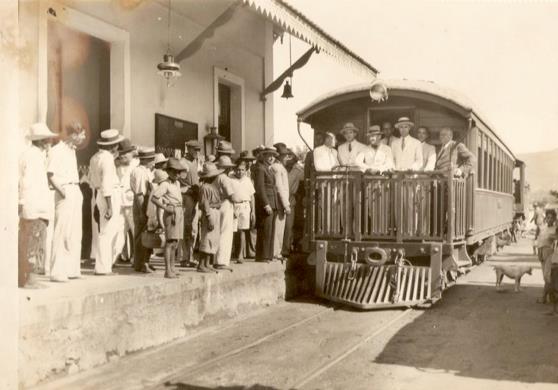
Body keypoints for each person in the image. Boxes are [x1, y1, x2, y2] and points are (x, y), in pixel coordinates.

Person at [18, 123, 58, 287]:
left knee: (27, 243)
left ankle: (24, 278)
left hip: (31, 206)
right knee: (33, 244)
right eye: (48, 138)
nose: (50, 141)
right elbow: (30, 184)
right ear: (42, 141)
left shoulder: (30, 155)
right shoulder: (34, 157)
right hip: (35, 207)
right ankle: (29, 279)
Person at [47, 122, 86, 282]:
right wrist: (62, 191)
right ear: (74, 134)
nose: (83, 137)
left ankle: (72, 269)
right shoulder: (57, 150)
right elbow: (50, 174)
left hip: (75, 190)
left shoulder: (72, 151)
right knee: (61, 231)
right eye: (82, 134)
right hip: (65, 191)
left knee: (75, 232)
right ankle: (57, 272)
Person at [88, 129, 125, 275]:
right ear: (113, 146)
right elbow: (107, 183)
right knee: (107, 232)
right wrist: (110, 205)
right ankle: (103, 267)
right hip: (109, 195)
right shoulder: (108, 160)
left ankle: (104, 266)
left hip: (100, 194)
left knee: (106, 231)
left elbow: (95, 181)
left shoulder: (95, 158)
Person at [151, 157, 187, 278]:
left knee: (175, 242)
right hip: (171, 213)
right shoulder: (165, 184)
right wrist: (165, 208)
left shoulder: (176, 183)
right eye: (174, 171)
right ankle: (167, 270)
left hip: (179, 211)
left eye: (178, 171)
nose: (177, 174)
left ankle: (172, 268)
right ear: (168, 171)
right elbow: (154, 198)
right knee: (170, 242)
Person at [130, 147, 156, 273]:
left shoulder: (145, 171)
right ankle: (140, 263)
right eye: (152, 160)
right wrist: (142, 212)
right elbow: (140, 194)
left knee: (145, 233)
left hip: (146, 203)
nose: (153, 162)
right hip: (142, 203)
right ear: (147, 160)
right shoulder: (139, 172)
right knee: (141, 234)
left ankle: (144, 261)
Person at [215, 155, 241, 271]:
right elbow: (231, 195)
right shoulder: (224, 178)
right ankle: (222, 261)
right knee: (225, 233)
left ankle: (217, 259)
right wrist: (239, 200)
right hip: (226, 204)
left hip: (217, 204)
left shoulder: (215, 177)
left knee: (218, 231)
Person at [179, 140, 202, 267]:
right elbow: (180, 181)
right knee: (185, 227)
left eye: (198, 150)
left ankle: (191, 256)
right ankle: (184, 257)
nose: (197, 152)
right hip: (187, 196)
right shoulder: (183, 162)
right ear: (189, 149)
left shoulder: (196, 162)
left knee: (193, 228)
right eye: (195, 150)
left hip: (195, 197)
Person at [198, 162, 224, 273]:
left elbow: (218, 202)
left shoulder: (213, 187)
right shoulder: (205, 188)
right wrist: (209, 217)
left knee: (212, 239)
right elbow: (205, 204)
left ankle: (207, 263)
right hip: (210, 214)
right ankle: (201, 264)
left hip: (215, 212)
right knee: (206, 238)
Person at [254, 146, 279, 263]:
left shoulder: (268, 169)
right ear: (263, 156)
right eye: (269, 155)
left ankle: (268, 255)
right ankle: (262, 256)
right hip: (267, 203)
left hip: (273, 203)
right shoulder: (260, 168)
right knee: (265, 229)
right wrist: (266, 204)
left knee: (270, 230)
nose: (271, 158)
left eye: (273, 156)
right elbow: (260, 188)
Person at [115, 138, 137, 263]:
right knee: (119, 231)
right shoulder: (116, 165)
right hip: (119, 203)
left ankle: (136, 257)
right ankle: (117, 256)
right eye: (121, 154)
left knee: (135, 231)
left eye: (125, 153)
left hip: (132, 202)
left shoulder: (136, 165)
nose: (122, 156)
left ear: (131, 153)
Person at [231, 160, 256, 264]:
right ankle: (231, 253)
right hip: (234, 206)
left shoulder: (248, 180)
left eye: (242, 170)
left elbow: (252, 196)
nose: (240, 172)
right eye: (238, 170)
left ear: (245, 171)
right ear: (234, 170)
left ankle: (240, 255)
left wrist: (253, 211)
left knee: (242, 231)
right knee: (233, 231)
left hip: (245, 206)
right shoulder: (230, 179)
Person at [282, 148, 304, 257]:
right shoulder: (281, 168)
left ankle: (286, 249)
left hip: (291, 199)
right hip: (279, 198)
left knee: (289, 226)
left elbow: (304, 184)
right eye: (287, 157)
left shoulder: (298, 171)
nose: (288, 159)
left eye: (291, 157)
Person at [271, 146, 291, 261]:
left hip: (280, 202)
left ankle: (277, 252)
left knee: (279, 228)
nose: (286, 158)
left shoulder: (278, 167)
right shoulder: (277, 168)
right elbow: (279, 187)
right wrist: (285, 204)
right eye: (284, 155)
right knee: (278, 228)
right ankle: (276, 253)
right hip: (279, 202)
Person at [536, 209, 557, 304]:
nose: (549, 219)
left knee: (547, 276)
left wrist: (553, 237)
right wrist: (539, 253)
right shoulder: (543, 228)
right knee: (545, 277)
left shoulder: (555, 229)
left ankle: (547, 297)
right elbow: (539, 241)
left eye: (551, 218)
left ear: (554, 218)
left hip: (550, 253)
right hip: (542, 252)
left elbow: (555, 240)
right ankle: (545, 297)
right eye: (548, 217)